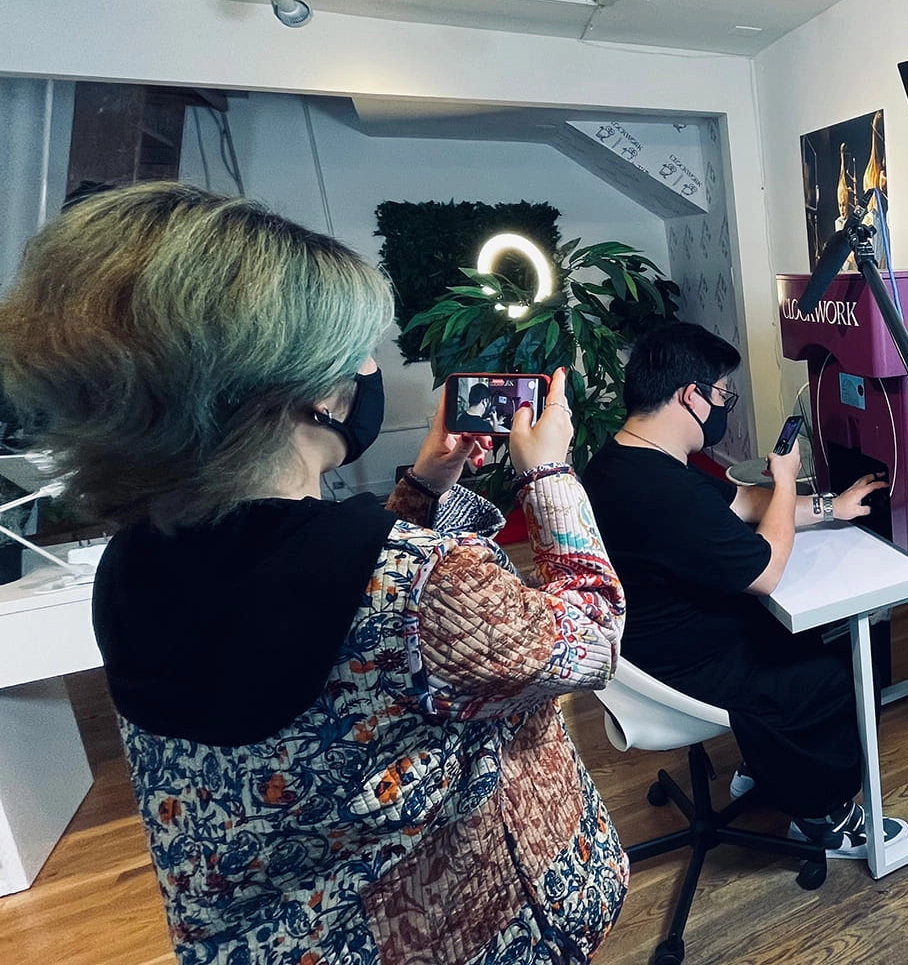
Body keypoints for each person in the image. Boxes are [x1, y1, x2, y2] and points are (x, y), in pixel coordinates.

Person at [0, 182, 629, 964]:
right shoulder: (430, 584)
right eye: (354, 352)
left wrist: (426, 488)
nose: (368, 367)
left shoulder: (133, 562)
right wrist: (551, 477)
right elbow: (591, 633)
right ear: (298, 390)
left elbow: (334, 591)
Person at [579, 320, 897, 858]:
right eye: (723, 393)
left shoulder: (624, 461)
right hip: (682, 667)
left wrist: (831, 507)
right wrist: (787, 477)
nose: (726, 405)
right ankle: (824, 815)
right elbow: (766, 570)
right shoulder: (659, 490)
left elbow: (743, 505)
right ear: (691, 396)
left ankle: (765, 760)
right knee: (839, 662)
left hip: (649, 643)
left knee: (810, 630)